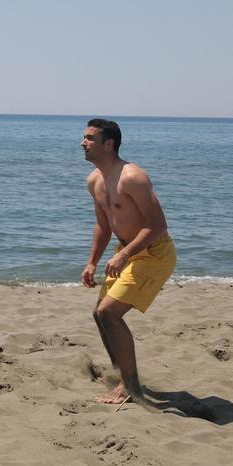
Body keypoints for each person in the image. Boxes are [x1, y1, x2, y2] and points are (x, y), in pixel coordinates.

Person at [80, 118, 175, 405]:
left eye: (90, 138)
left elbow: (157, 225)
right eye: (83, 137)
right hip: (128, 251)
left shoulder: (133, 176)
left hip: (154, 253)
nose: (83, 143)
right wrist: (92, 262)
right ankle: (122, 376)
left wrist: (123, 255)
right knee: (100, 314)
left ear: (109, 144)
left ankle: (130, 386)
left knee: (109, 312)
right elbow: (103, 227)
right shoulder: (94, 180)